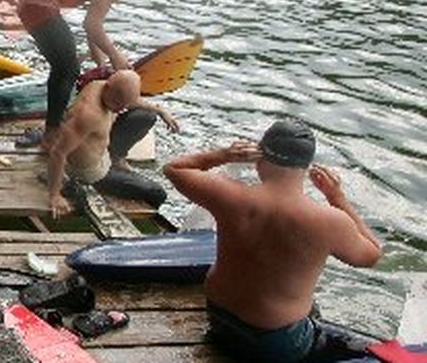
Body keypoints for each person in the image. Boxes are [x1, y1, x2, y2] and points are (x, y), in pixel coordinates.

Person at [163, 121, 382, 362]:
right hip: (278, 344)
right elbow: (372, 255)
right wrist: (337, 197)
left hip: (221, 323)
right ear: (306, 167)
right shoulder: (328, 220)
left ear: (258, 156)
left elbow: (174, 168)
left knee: (309, 310)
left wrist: (224, 155)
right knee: (380, 352)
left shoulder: (231, 196)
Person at [17, 0, 168, 137]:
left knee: (64, 68)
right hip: (40, 1)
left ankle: (53, 126)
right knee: (68, 70)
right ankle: (52, 134)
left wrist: (100, 64)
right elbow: (92, 24)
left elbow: (91, 26)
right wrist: (115, 56)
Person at [45, 70, 177, 216]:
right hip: (91, 173)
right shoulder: (87, 114)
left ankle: (117, 159)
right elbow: (58, 152)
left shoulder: (103, 88)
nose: (120, 109)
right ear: (108, 88)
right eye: (117, 104)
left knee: (146, 116)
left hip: (103, 151)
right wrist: (55, 195)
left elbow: (132, 101)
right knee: (157, 193)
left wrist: (160, 110)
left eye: (123, 104)